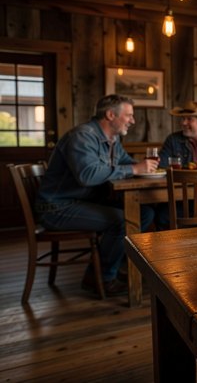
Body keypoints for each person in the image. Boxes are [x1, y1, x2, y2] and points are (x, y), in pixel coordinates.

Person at [35, 94, 157, 296]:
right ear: (110, 115)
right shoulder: (82, 136)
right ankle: (100, 277)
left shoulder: (112, 139)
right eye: (129, 115)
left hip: (84, 202)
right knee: (123, 220)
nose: (133, 121)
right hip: (56, 207)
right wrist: (135, 169)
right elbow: (88, 175)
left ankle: (112, 265)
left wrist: (145, 166)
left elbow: (126, 162)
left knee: (145, 213)